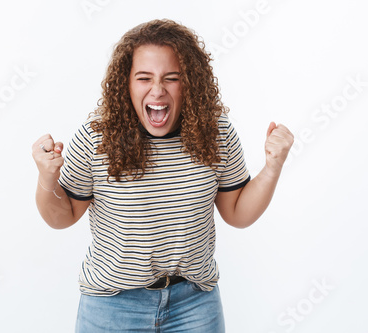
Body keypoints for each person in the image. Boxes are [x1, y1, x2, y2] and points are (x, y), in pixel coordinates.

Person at [32, 19, 294, 332]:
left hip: (194, 304)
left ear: (190, 82)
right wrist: (46, 179)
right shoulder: (96, 139)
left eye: (171, 78)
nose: (157, 90)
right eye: (144, 78)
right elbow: (62, 217)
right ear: (125, 83)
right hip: (112, 307)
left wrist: (273, 167)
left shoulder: (216, 132)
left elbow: (237, 213)